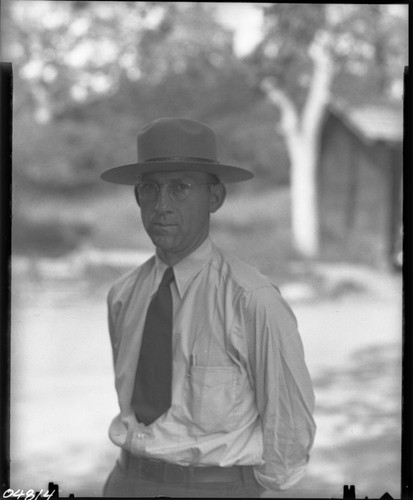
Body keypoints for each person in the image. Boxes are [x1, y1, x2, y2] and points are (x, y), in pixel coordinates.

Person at [100, 117, 316, 498]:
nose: (161, 205)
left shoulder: (250, 298)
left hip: (215, 488)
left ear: (214, 198)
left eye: (180, 188)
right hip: (126, 483)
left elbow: (290, 423)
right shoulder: (124, 295)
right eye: (150, 189)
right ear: (137, 197)